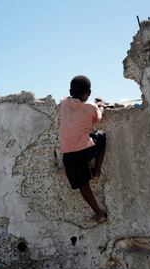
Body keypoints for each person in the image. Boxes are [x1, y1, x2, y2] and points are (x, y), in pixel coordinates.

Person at [59, 75, 108, 223]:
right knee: (101, 136)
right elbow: (99, 118)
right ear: (89, 93)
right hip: (86, 150)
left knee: (83, 185)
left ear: (70, 91)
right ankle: (97, 169)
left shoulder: (63, 102)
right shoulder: (91, 107)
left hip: (69, 153)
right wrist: (101, 105)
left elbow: (69, 102)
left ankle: (99, 213)